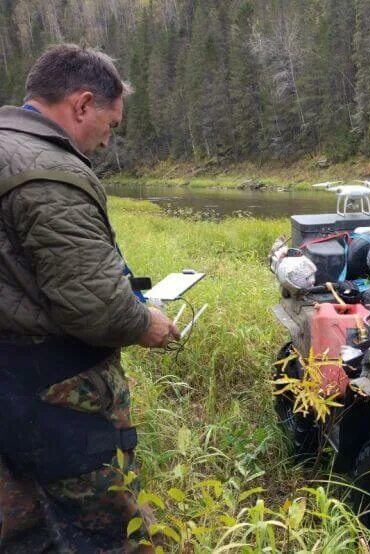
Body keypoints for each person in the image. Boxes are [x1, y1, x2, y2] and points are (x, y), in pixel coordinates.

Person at [0, 44, 180, 552]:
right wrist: (148, 323)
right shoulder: (49, 172)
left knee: (22, 528)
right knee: (110, 529)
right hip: (54, 392)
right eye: (111, 124)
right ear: (82, 105)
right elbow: (97, 305)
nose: (106, 142)